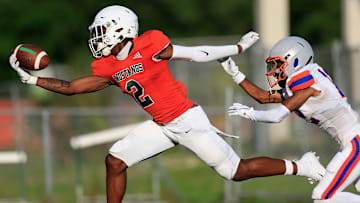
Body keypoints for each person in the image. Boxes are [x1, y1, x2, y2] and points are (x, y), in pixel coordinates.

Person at [9, 5, 325, 203]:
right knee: (115, 161)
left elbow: (197, 52)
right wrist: (33, 80)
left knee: (236, 172)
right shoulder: (107, 67)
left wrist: (237, 47)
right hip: (162, 126)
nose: (98, 37)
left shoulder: (150, 44)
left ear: (121, 30)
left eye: (102, 30)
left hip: (188, 121)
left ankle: (302, 165)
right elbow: (73, 87)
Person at [220, 36, 360, 202]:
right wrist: (235, 74)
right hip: (351, 142)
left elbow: (277, 116)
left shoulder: (304, 82)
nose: (275, 71)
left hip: (355, 143)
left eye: (279, 65)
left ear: (295, 61)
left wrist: (250, 113)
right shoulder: (305, 82)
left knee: (322, 197)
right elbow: (264, 97)